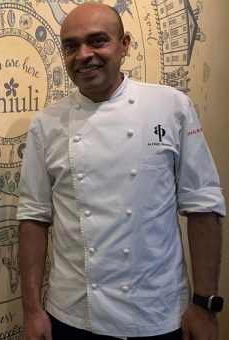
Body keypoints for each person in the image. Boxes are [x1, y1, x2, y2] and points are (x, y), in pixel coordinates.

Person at [17, 3, 225, 340]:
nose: (84, 55)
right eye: (71, 46)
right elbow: (33, 217)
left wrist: (204, 305)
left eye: (98, 41)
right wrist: (31, 310)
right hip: (72, 314)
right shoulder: (46, 124)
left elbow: (203, 205)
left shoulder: (171, 107)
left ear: (125, 45)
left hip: (158, 311)